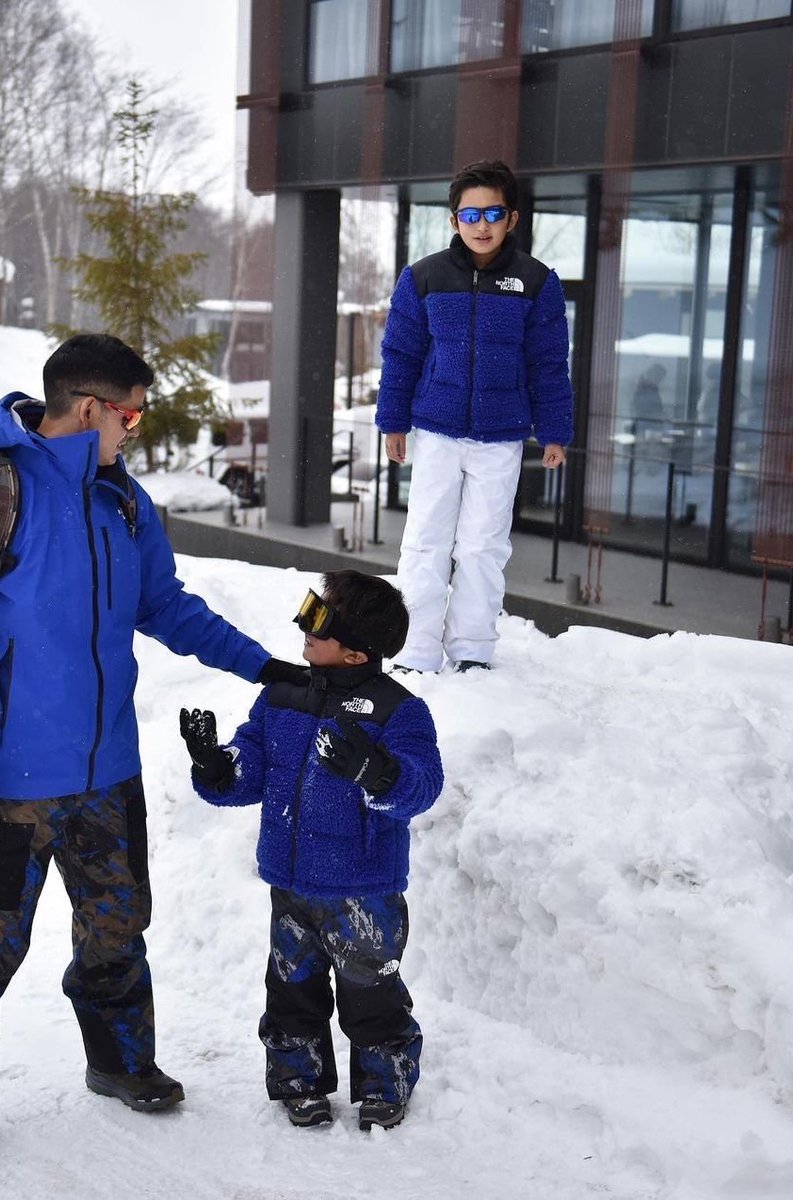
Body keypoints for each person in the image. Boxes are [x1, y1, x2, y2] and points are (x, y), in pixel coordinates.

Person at [0, 333, 304, 1170]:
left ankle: (119, 1062)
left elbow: (167, 608)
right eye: (132, 414)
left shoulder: (122, 500)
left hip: (106, 776)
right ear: (89, 409)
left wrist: (264, 666)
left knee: (118, 930)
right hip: (3, 785)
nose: (136, 430)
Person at [179, 570, 444, 1131]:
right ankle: (299, 1080)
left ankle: (384, 1084)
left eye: (319, 620)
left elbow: (422, 788)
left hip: (362, 892)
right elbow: (252, 770)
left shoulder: (397, 710)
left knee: (371, 995)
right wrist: (217, 765)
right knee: (291, 988)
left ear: (355, 653)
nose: (304, 625)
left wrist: (376, 771)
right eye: (309, 610)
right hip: (291, 883)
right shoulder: (282, 697)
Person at [376, 159, 574, 673]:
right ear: (453, 221)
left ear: (512, 218)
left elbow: (549, 365)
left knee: (483, 546)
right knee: (425, 541)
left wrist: (554, 431)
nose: (481, 225)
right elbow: (401, 354)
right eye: (470, 215)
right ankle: (415, 649)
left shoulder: (537, 282)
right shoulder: (423, 277)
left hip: (501, 437)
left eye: (493, 213)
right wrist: (393, 421)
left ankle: (471, 650)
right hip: (437, 431)